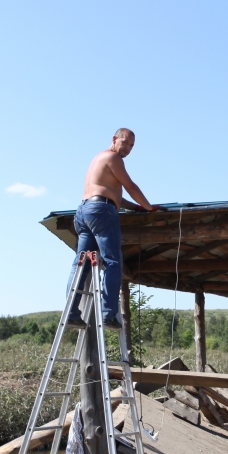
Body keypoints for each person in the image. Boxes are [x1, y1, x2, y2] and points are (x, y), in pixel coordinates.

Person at [67, 128, 160, 330]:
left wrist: (134, 207)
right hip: (102, 211)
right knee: (113, 262)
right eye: (125, 143)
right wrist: (147, 207)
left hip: (84, 211)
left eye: (132, 146)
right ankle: (108, 314)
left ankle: (71, 312)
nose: (128, 148)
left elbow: (114, 194)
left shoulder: (98, 158)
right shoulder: (113, 157)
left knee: (81, 263)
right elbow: (131, 187)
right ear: (114, 139)